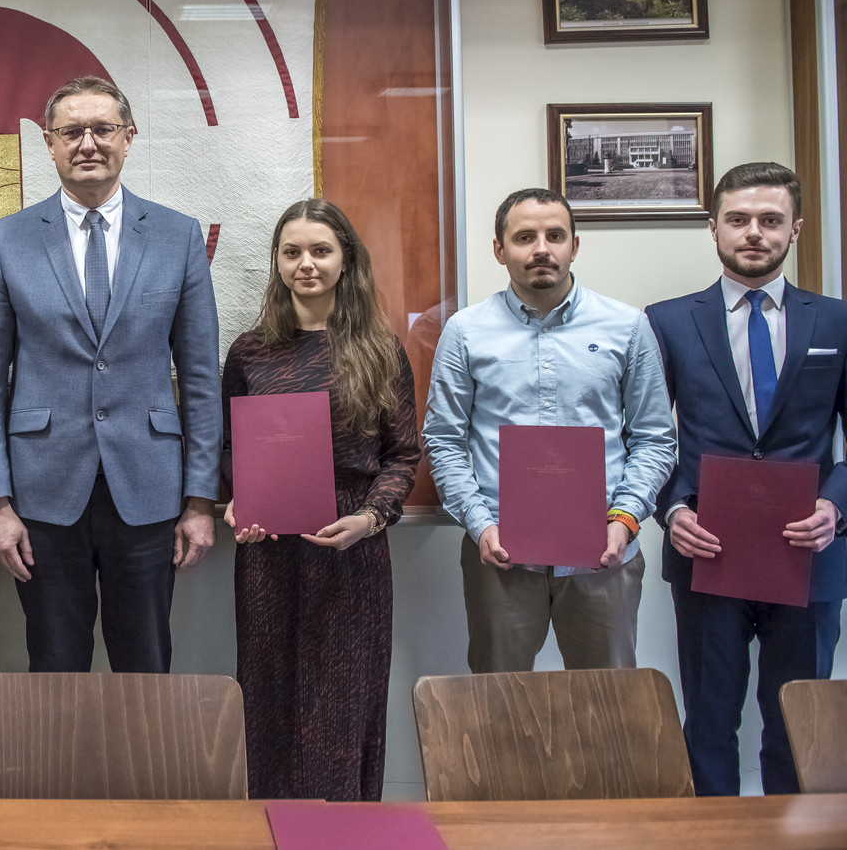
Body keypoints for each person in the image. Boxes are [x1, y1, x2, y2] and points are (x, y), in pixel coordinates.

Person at [0, 75, 221, 674]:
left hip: (150, 488)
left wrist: (201, 500)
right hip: (41, 491)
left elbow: (200, 378)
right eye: (71, 131)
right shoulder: (6, 240)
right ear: (49, 143)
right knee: (55, 669)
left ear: (128, 138)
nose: (88, 143)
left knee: (146, 667)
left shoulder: (177, 235)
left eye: (102, 129)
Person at [645, 162, 846, 796]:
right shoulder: (667, 320)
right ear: (714, 227)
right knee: (708, 722)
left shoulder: (837, 321)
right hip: (708, 549)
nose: (753, 232)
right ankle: (713, 837)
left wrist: (836, 509)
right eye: (737, 219)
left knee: (796, 725)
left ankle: (793, 837)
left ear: (795, 229)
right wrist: (674, 511)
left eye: (769, 220)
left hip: (808, 552)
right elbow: (646, 438)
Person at [422, 187, 676, 672]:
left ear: (574, 246)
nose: (542, 248)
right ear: (499, 250)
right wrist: (479, 523)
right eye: (525, 237)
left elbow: (655, 438)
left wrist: (624, 519)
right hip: (501, 555)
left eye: (555, 236)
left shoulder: (627, 326)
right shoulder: (465, 331)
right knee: (499, 704)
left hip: (604, 553)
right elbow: (444, 440)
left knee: (607, 704)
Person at [220, 200, 419, 801]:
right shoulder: (249, 352)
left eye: (320, 250)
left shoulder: (381, 350)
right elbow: (229, 447)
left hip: (352, 547)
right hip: (268, 550)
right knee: (268, 696)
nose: (305, 264)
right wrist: (238, 501)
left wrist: (370, 518)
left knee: (343, 704)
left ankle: (343, 831)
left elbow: (403, 456)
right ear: (278, 263)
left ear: (346, 259)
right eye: (292, 252)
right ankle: (270, 830)